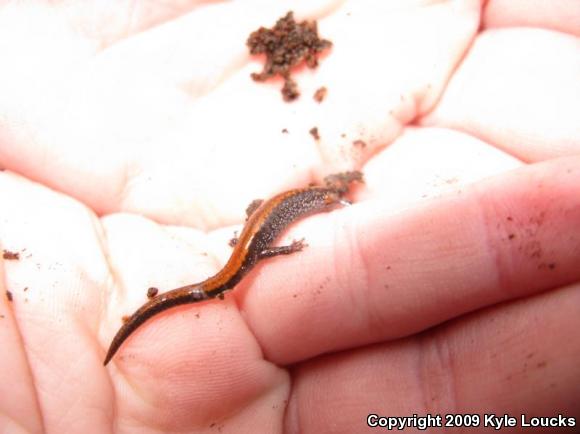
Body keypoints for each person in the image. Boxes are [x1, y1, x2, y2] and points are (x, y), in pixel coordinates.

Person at [0, 3, 578, 432]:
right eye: (338, 195)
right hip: (241, 255)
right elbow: (265, 250)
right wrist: (288, 250)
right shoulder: (251, 260)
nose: (338, 199)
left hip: (246, 248)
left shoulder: (306, 208)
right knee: (254, 256)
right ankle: (137, 322)